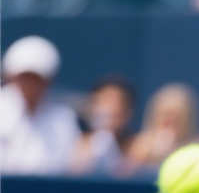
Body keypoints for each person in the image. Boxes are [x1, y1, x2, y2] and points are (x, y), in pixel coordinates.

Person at [0, 35, 80, 175]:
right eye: (24, 77)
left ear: (48, 80)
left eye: (36, 78)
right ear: (11, 76)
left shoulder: (64, 119)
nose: (30, 83)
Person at [71, 75, 136, 175]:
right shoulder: (75, 143)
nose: (111, 108)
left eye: (119, 103)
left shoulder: (137, 147)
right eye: (105, 101)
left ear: (128, 112)